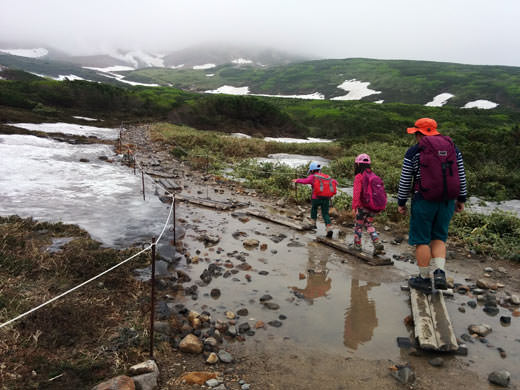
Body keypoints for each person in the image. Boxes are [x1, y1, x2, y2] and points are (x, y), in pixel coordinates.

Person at [397, 118, 467, 294]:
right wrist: (461, 199)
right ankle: (440, 273)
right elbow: (460, 175)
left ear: (419, 134)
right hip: (447, 200)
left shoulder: (413, 152)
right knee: (439, 237)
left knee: (421, 240)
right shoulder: (453, 148)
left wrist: (401, 202)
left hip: (423, 199)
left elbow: (405, 180)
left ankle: (423, 279)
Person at [351, 153, 385, 255]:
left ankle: (357, 245)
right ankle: (376, 241)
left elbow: (356, 193)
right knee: (368, 224)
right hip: (372, 206)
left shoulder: (359, 176)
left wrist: (354, 207)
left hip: (362, 206)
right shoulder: (373, 175)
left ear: (357, 164)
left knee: (358, 226)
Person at [292, 161, 337, 238]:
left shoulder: (313, 176)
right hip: (326, 198)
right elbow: (335, 182)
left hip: (316, 198)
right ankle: (329, 228)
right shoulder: (326, 176)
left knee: (314, 209)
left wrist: (297, 180)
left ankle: (313, 224)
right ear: (319, 169)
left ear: (312, 170)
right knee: (325, 214)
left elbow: (305, 181)